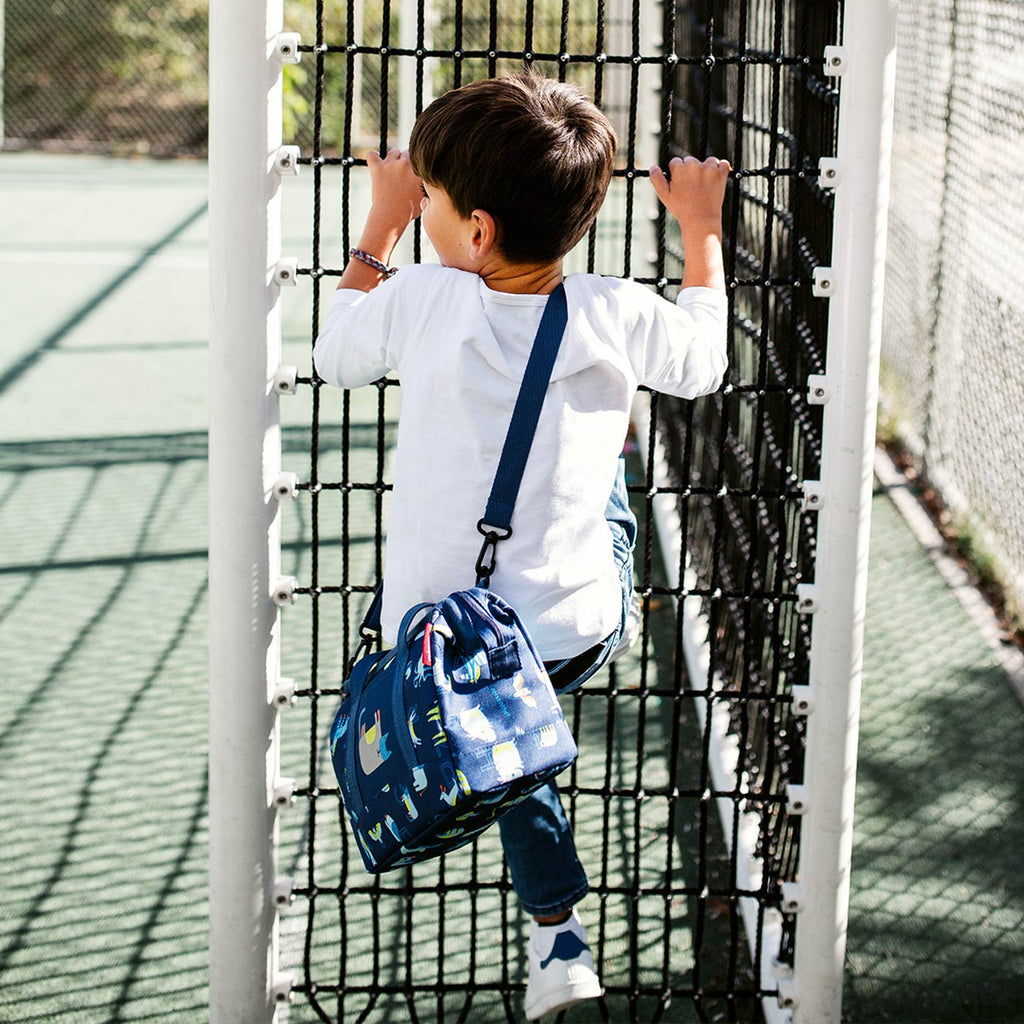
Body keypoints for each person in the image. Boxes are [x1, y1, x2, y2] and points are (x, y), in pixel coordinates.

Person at [313, 72, 729, 1020]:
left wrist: (376, 227)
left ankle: (554, 927)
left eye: (431, 203)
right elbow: (703, 362)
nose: (422, 214)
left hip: (438, 633)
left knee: (492, 705)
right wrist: (699, 226)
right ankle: (556, 935)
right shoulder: (617, 307)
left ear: (478, 232)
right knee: (595, 499)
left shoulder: (421, 299)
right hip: (572, 628)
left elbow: (335, 352)